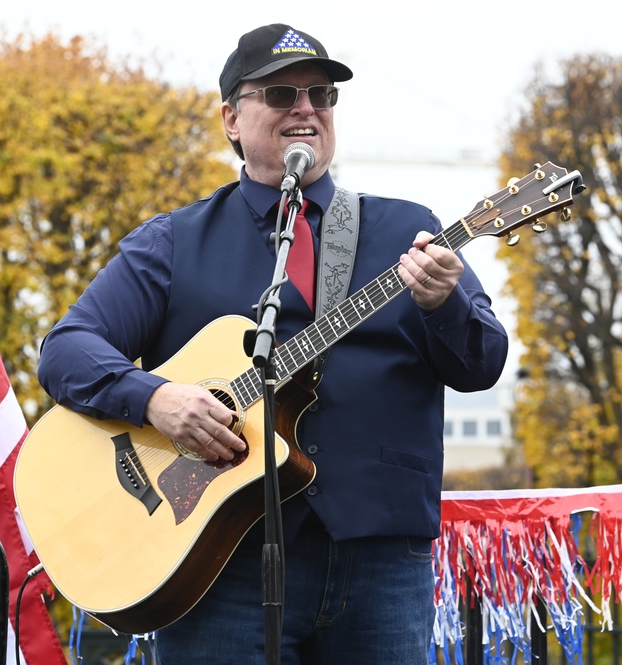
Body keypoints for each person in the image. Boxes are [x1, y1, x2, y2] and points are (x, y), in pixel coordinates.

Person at [37, 23, 509, 664]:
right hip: (218, 560)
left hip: (380, 563)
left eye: (321, 94)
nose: (306, 108)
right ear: (232, 117)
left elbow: (482, 364)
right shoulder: (174, 241)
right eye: (281, 93)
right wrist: (154, 399)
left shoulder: (411, 232)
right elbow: (67, 349)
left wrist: (442, 302)